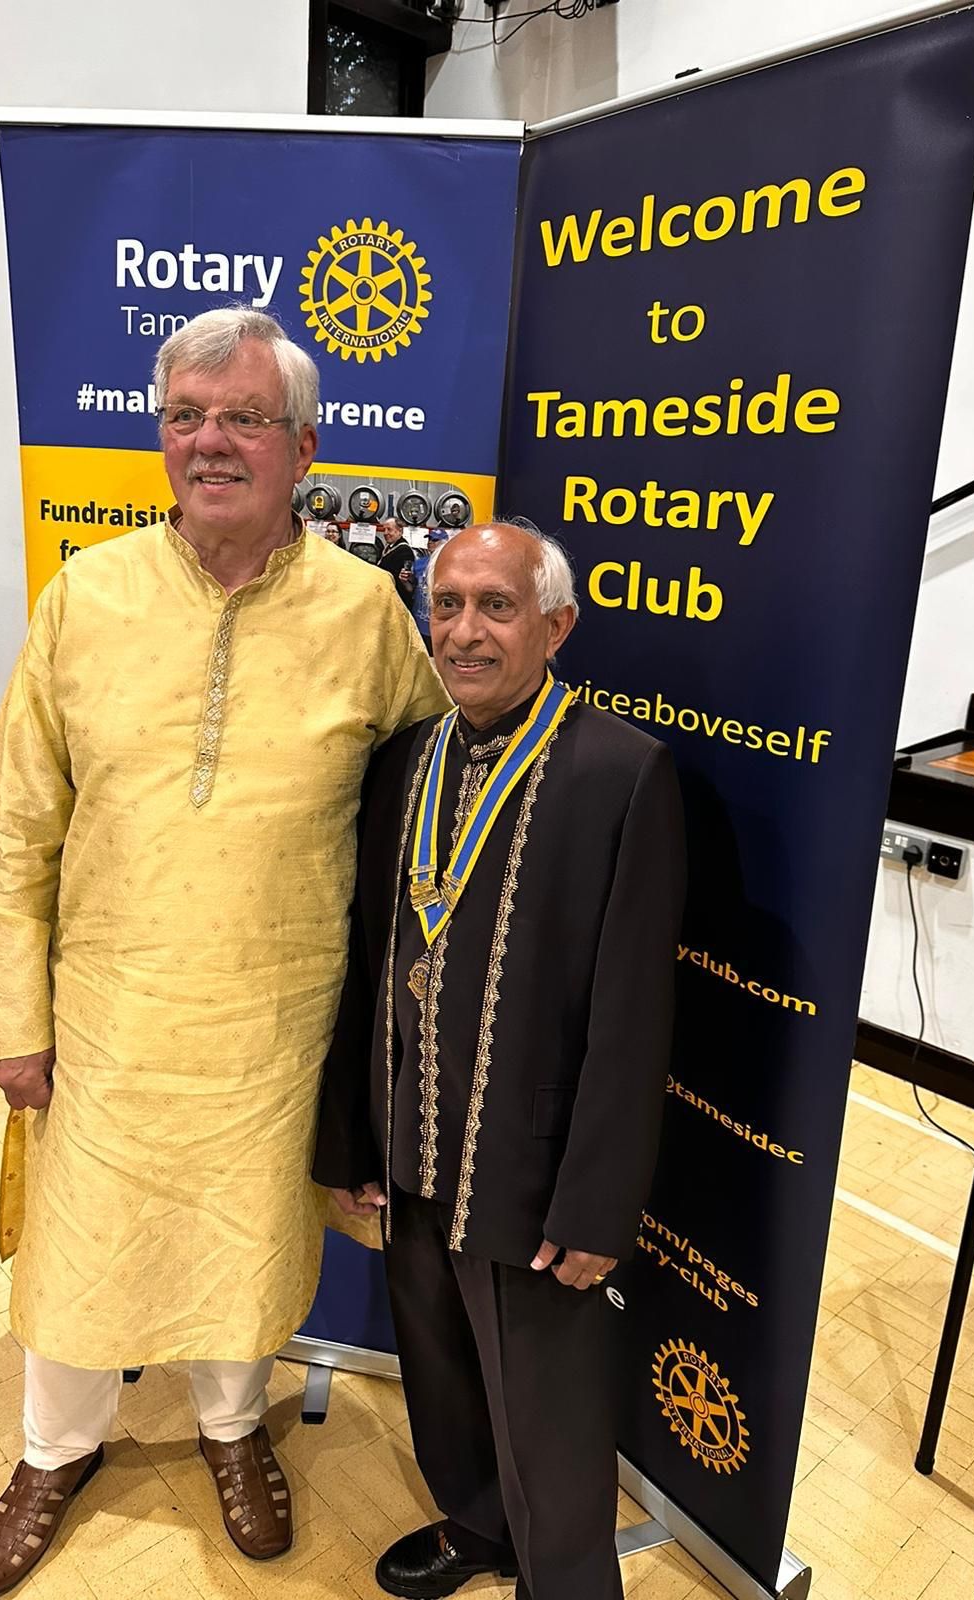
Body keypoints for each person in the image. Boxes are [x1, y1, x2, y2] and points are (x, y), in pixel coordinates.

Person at [0, 307, 447, 1596]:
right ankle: (53, 1452)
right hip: (107, 1017)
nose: (210, 441)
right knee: (81, 1251)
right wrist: (10, 1018)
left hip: (276, 1021)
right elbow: (12, 828)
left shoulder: (367, 615)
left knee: (245, 1243)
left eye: (242, 417)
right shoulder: (87, 597)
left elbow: (428, 809)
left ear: (305, 444)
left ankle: (234, 1429)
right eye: (185, 416)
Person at [313, 523, 686, 1600]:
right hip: (409, 1138)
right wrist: (354, 1138)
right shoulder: (403, 763)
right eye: (448, 605)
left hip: (532, 1167)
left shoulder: (622, 772)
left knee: (549, 1409)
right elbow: (367, 958)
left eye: (497, 606)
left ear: (556, 626)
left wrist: (598, 1204)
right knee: (437, 1365)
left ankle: (565, 1583)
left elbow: (633, 1016)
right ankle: (478, 1525)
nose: (465, 632)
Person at [378, 515, 416, 609]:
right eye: (384, 529)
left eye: (389, 529)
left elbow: (405, 581)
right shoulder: (389, 547)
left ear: (399, 531)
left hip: (397, 601)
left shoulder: (404, 551)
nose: (385, 533)